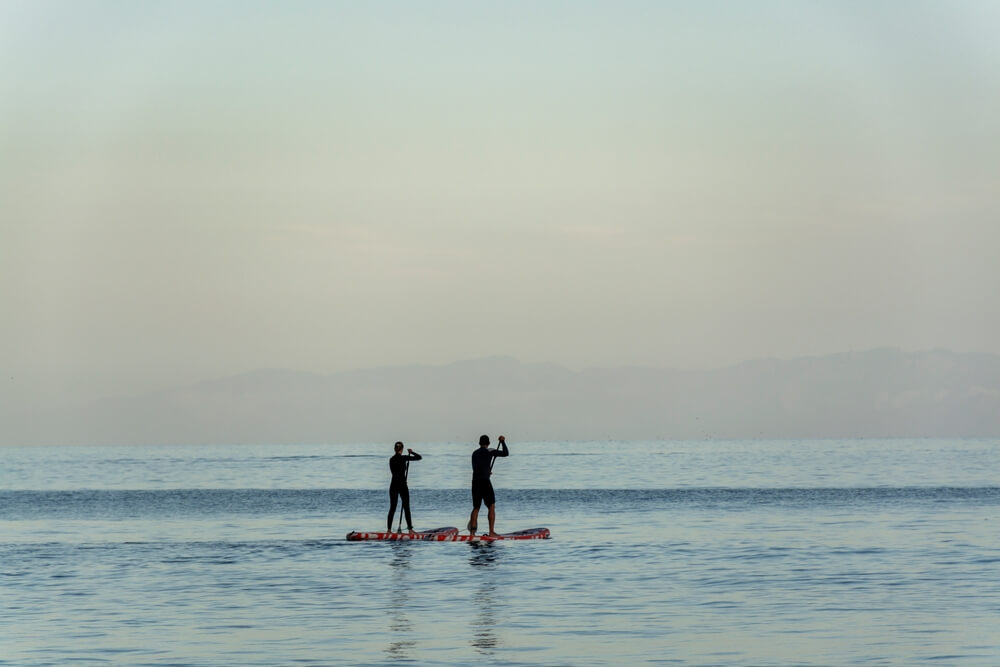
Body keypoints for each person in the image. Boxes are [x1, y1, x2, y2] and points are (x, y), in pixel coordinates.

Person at [468, 434, 508, 537]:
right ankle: (491, 531)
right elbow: (505, 453)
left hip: (475, 481)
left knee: (476, 507)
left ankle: (472, 533)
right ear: (488, 443)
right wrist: (502, 442)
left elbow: (477, 467)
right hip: (485, 481)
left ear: (479, 443)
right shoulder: (490, 451)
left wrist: (486, 471)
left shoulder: (474, 453)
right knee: (491, 506)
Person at [387, 441, 422, 533]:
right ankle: (410, 529)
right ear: (402, 449)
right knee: (406, 507)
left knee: (392, 508)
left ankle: (389, 530)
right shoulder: (403, 458)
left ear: (394, 449)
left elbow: (395, 473)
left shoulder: (391, 459)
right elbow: (419, 458)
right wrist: (412, 452)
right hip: (402, 485)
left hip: (393, 485)